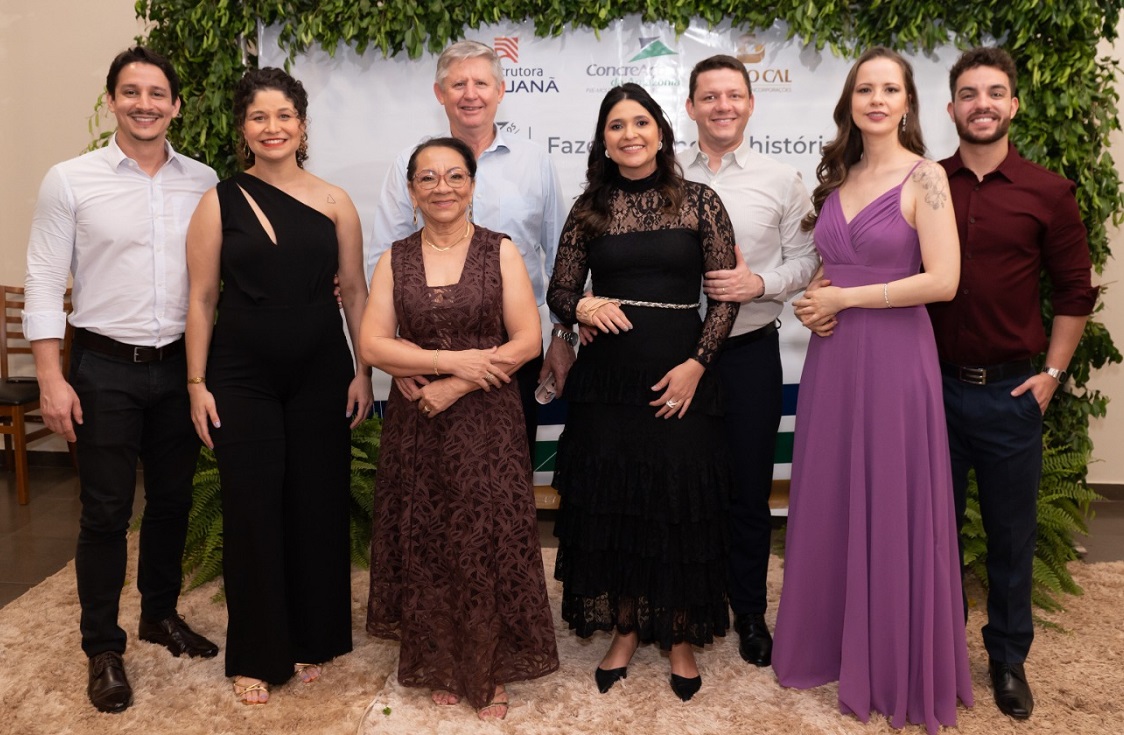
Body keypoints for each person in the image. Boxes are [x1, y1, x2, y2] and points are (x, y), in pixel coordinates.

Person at [773, 47, 973, 733]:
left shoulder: (929, 177)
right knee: (831, 495)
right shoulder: (840, 176)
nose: (878, 100)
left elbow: (943, 280)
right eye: (866, 89)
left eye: (891, 89)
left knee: (890, 496)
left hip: (895, 361)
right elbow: (831, 269)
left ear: (908, 102)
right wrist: (815, 300)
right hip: (834, 362)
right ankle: (828, 645)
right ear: (850, 103)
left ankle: (890, 660)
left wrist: (846, 299)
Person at [23, 46, 220, 714]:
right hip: (102, 369)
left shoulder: (203, 181)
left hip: (180, 368)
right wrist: (50, 376)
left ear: (176, 105)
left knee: (171, 502)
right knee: (105, 512)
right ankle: (103, 648)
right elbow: (44, 280)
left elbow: (222, 276)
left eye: (157, 93)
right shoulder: (70, 180)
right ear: (111, 101)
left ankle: (158, 613)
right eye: (131, 92)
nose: (145, 104)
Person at [184, 67, 373, 705]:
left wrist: (363, 370)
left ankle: (313, 638)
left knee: (317, 503)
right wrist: (195, 382)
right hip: (241, 376)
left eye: (284, 116)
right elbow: (201, 298)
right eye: (258, 117)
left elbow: (355, 293)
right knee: (252, 509)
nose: (272, 127)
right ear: (243, 129)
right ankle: (257, 654)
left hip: (322, 370)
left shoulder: (336, 202)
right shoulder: (217, 202)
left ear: (302, 125)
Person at [548, 83, 739, 702]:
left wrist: (697, 365)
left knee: (677, 505)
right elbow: (559, 289)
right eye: (616, 126)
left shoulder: (700, 201)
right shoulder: (589, 209)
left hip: (681, 377)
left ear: (660, 131)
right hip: (608, 385)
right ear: (603, 141)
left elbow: (724, 296)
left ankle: (679, 636)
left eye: (639, 122)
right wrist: (581, 306)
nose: (629, 134)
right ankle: (626, 629)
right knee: (617, 504)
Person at [361, 137, 559, 721]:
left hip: (487, 418)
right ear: (411, 191)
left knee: (485, 537)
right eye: (427, 178)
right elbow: (373, 345)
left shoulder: (501, 251)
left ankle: (489, 665)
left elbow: (527, 341)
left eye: (454, 176)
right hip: (418, 422)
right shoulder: (394, 259)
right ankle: (441, 658)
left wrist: (458, 383)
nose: (441, 187)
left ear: (472, 185)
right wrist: (446, 363)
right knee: (428, 537)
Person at [930, 47, 1098, 721]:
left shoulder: (1048, 192)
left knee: (1009, 536)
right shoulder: (925, 184)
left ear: (1014, 105)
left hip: (1010, 395)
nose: (983, 104)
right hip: (931, 392)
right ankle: (937, 650)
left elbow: (1075, 291)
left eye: (995, 92)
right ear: (951, 108)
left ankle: (1006, 658)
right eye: (969, 94)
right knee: (931, 533)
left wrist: (1051, 374)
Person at [678, 54, 819, 668]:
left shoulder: (782, 180)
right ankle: (687, 605)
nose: (723, 106)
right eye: (710, 97)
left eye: (733, 95)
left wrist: (757, 283)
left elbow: (807, 261)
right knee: (680, 489)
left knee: (748, 491)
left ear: (751, 104)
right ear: (690, 107)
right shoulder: (661, 173)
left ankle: (750, 612)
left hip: (749, 354)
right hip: (675, 357)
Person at [368, 39, 572, 455]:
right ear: (439, 93)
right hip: (426, 350)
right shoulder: (410, 163)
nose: (470, 94)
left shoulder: (534, 161)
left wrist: (562, 336)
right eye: (458, 84)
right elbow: (383, 259)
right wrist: (396, 352)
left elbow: (562, 260)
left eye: (481, 83)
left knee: (506, 468)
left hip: (514, 349)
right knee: (426, 476)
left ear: (500, 91)